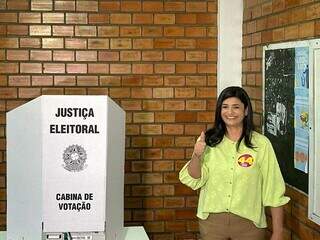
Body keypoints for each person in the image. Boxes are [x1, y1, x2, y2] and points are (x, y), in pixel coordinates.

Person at [179, 86, 290, 240]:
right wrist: (197, 155)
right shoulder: (209, 141)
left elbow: (274, 189)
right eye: (225, 107)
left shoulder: (261, 144)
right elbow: (194, 178)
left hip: (249, 225)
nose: (230, 112)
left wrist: (278, 232)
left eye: (236, 107)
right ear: (219, 111)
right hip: (212, 224)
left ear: (245, 111)